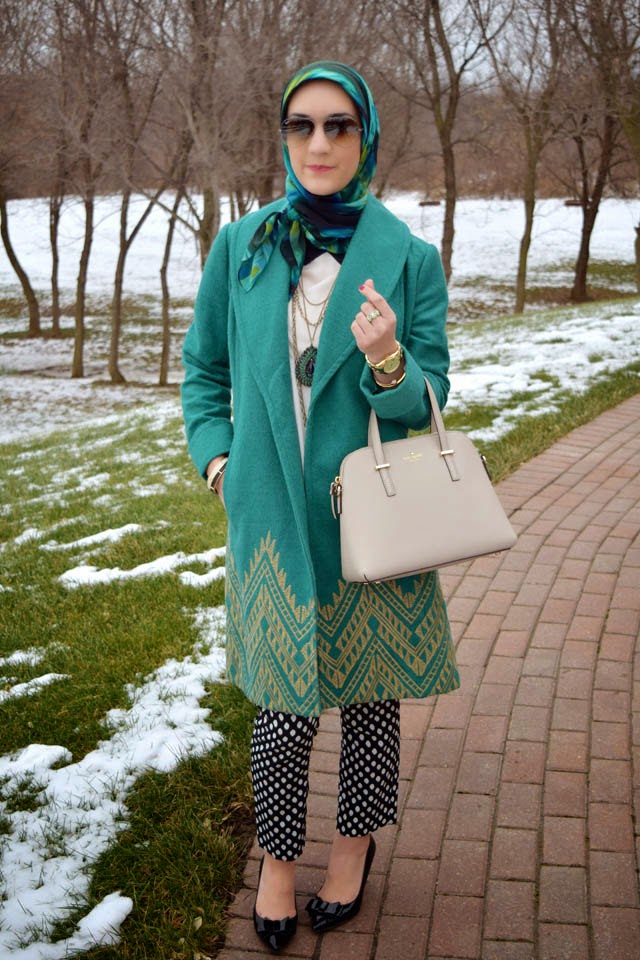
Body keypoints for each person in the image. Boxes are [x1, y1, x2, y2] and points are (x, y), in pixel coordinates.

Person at [181, 60, 459, 953]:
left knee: (371, 701)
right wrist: (219, 464)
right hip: (270, 520)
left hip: (368, 519)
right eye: (302, 125)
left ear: (365, 137)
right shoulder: (243, 246)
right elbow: (204, 371)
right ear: (284, 136)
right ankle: (275, 861)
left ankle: (352, 850)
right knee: (279, 706)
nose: (320, 143)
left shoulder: (408, 258)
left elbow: (426, 399)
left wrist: (387, 361)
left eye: (340, 125)